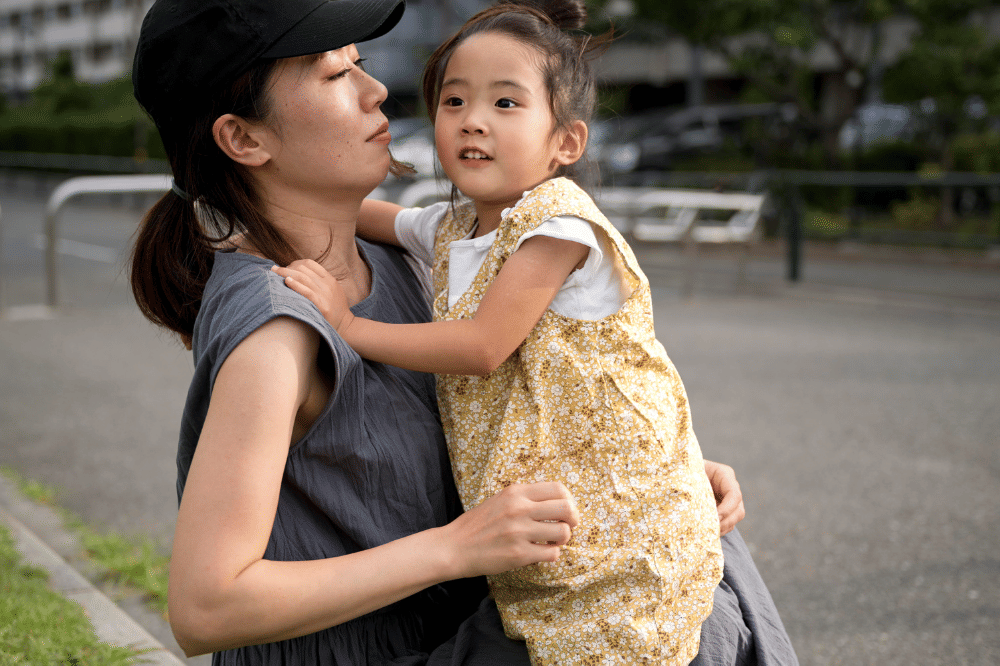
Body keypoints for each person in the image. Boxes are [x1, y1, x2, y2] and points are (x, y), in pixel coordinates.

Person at [129, 0, 792, 664]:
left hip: (476, 624)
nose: (376, 90)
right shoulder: (278, 328)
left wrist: (645, 471)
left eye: (360, 63)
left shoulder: (407, 259)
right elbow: (205, 607)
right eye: (335, 75)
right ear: (244, 139)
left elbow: (506, 408)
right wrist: (457, 546)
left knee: (708, 577)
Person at [273, 1, 723, 663]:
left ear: (566, 142)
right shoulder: (454, 225)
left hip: (622, 522)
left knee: (614, 637)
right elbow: (368, 215)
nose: (472, 120)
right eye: (454, 101)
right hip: (550, 521)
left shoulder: (559, 226)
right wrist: (271, 193)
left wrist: (348, 326)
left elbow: (482, 347)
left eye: (506, 103)